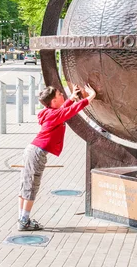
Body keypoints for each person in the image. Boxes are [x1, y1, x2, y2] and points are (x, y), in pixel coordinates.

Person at [17, 83, 97, 231]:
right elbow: (72, 110)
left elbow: (62, 110)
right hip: (37, 153)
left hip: (32, 150)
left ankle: (22, 218)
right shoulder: (55, 114)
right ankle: (24, 220)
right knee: (31, 187)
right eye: (60, 95)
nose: (62, 95)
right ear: (53, 101)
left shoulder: (49, 112)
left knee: (26, 184)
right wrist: (92, 96)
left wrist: (72, 97)